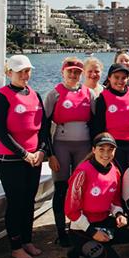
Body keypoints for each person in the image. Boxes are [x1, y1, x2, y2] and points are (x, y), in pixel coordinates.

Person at [0, 54, 52, 258]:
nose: (26, 75)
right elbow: (0, 131)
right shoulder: (2, 97)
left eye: (28, 71)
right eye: (21, 72)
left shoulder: (34, 94)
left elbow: (43, 127)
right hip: (10, 160)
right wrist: (23, 153)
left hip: (33, 158)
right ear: (9, 73)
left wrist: (42, 151)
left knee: (29, 201)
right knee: (16, 201)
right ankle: (15, 245)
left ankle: (27, 240)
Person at [65, 132, 129, 258]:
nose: (106, 153)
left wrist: (119, 214)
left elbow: (115, 200)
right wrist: (93, 232)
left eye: (110, 149)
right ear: (93, 150)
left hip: (103, 222)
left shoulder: (115, 171)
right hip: (82, 229)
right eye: (101, 149)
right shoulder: (82, 172)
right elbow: (71, 210)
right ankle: (80, 248)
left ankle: (97, 245)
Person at [45, 57, 96, 247]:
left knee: (82, 188)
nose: (73, 75)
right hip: (61, 146)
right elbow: (44, 125)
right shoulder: (54, 94)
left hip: (83, 146)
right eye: (70, 72)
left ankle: (80, 227)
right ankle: (61, 231)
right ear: (63, 72)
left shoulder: (88, 94)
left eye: (77, 72)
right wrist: (50, 153)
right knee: (61, 189)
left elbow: (95, 122)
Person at [90, 63, 129, 172]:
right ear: (109, 78)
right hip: (113, 147)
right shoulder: (103, 98)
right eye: (116, 77)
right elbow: (98, 127)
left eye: (124, 78)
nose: (120, 81)